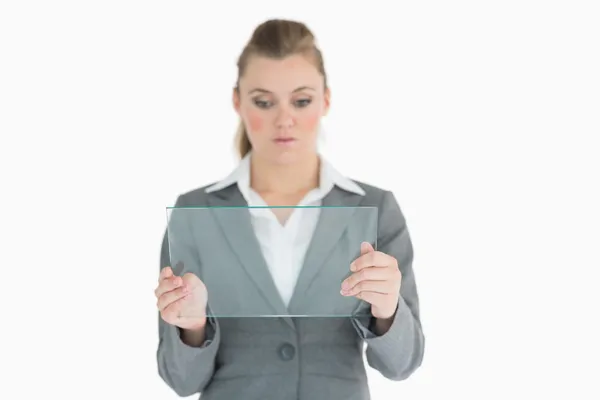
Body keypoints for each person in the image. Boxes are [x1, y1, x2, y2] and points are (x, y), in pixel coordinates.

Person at [154, 18, 425, 400]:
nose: (284, 120)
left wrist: (387, 309)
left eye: (301, 100)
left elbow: (404, 363)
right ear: (238, 102)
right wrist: (193, 325)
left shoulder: (376, 208)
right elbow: (180, 380)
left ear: (326, 100)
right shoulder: (194, 212)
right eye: (264, 102)